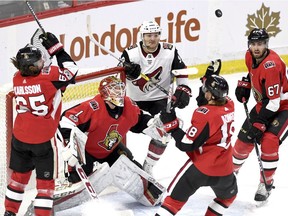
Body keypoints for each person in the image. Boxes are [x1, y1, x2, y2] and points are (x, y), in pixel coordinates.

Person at [57, 76, 166, 207]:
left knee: (138, 180)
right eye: (114, 90)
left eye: (120, 89)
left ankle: (146, 180)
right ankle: (60, 191)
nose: (118, 94)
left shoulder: (129, 105)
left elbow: (140, 119)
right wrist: (71, 145)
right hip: (87, 153)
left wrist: (152, 123)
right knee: (77, 179)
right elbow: (67, 119)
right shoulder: (93, 107)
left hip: (111, 151)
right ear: (104, 93)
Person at [4, 32, 78, 216]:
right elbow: (72, 70)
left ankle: (9, 212)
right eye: (37, 62)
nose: (40, 63)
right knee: (45, 186)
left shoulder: (16, 78)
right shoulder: (49, 77)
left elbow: (48, 80)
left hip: (20, 138)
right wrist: (56, 48)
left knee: (18, 179)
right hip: (43, 140)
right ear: (31, 66)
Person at [155, 75, 238, 216]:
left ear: (211, 95)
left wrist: (172, 125)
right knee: (228, 197)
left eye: (206, 90)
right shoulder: (230, 105)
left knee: (172, 202)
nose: (204, 92)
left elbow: (186, 144)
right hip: (225, 170)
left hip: (200, 169)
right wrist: (208, 79)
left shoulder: (204, 115)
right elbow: (209, 104)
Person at [120, 20, 192, 175]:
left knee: (165, 132)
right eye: (148, 35)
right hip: (133, 101)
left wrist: (184, 88)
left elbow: (181, 71)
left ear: (160, 36)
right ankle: (114, 161)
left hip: (160, 100)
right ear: (142, 36)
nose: (152, 39)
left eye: (155, 35)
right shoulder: (131, 53)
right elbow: (118, 74)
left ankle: (148, 167)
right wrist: (126, 69)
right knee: (116, 128)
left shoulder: (170, 51)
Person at [232, 28, 288, 202]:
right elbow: (253, 75)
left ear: (266, 45)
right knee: (243, 141)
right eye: (253, 44)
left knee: (269, 140)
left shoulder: (272, 65)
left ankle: (266, 182)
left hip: (283, 107)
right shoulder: (249, 56)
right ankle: (229, 175)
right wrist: (246, 84)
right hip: (265, 104)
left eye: (261, 44)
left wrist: (260, 123)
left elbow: (274, 103)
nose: (256, 48)